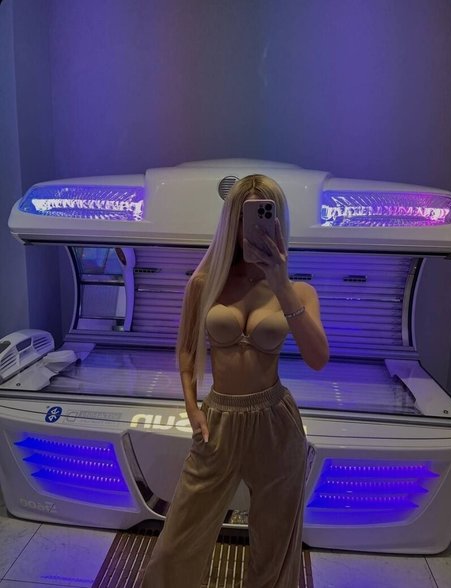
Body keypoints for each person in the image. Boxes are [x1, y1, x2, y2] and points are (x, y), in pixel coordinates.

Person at [141, 174, 329, 588]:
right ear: (231, 221)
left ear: (278, 220)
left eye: (263, 214)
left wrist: (281, 284)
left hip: (275, 422)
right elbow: (186, 351)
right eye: (244, 216)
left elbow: (318, 359)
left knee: (275, 545)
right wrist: (192, 409)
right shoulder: (205, 283)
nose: (252, 226)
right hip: (218, 420)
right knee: (178, 540)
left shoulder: (299, 291)